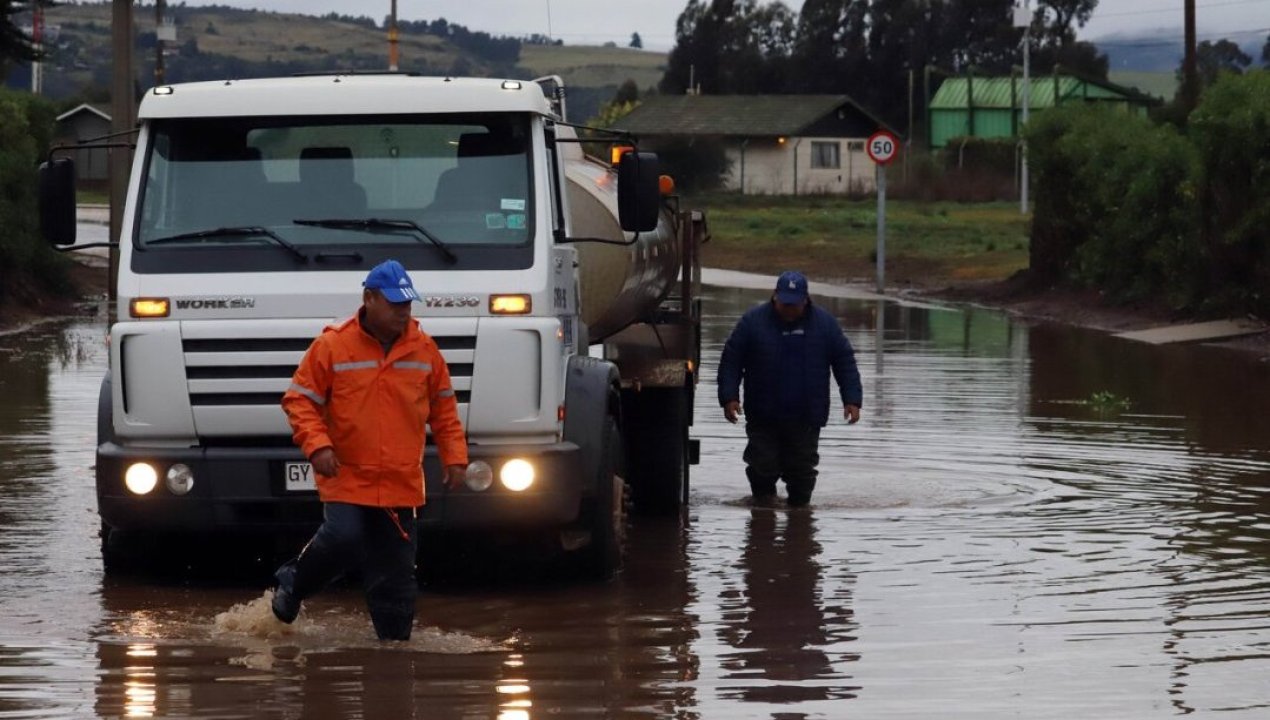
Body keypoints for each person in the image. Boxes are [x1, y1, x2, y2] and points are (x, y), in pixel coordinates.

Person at [270, 259, 469, 640]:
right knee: (343, 538)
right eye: (395, 303)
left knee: (395, 577)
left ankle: (393, 662)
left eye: (408, 304)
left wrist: (455, 457)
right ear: (369, 299)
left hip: (399, 482)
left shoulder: (425, 349)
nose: (403, 311)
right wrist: (318, 447)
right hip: (347, 475)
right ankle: (294, 582)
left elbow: (444, 408)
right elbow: (299, 400)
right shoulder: (333, 345)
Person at [717, 270, 862, 507]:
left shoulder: (825, 325)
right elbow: (732, 360)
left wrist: (852, 400)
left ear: (805, 300)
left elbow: (844, 362)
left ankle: (800, 516)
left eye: (794, 304)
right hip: (763, 414)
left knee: (802, 471)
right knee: (762, 466)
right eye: (784, 303)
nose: (789, 309)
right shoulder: (752, 322)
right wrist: (728, 397)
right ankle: (763, 517)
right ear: (775, 297)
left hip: (806, 415)